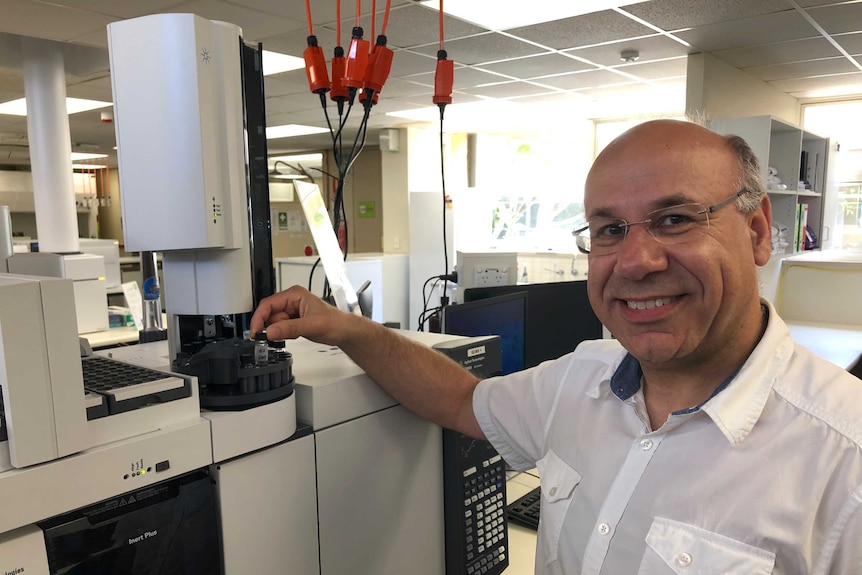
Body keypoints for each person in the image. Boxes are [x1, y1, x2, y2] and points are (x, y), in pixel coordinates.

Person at [251, 120, 862, 574]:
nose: (639, 260)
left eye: (675, 218)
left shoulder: (843, 459)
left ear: (757, 232)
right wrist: (347, 328)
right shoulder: (581, 381)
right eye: (609, 230)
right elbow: (462, 400)